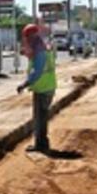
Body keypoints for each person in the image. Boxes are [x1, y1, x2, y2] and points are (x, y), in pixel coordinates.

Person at [17, 23, 57, 152]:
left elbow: (37, 71)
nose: (26, 41)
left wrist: (25, 84)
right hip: (47, 87)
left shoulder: (39, 52)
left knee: (40, 119)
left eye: (27, 38)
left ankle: (41, 145)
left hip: (43, 89)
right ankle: (41, 143)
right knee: (41, 118)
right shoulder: (42, 48)